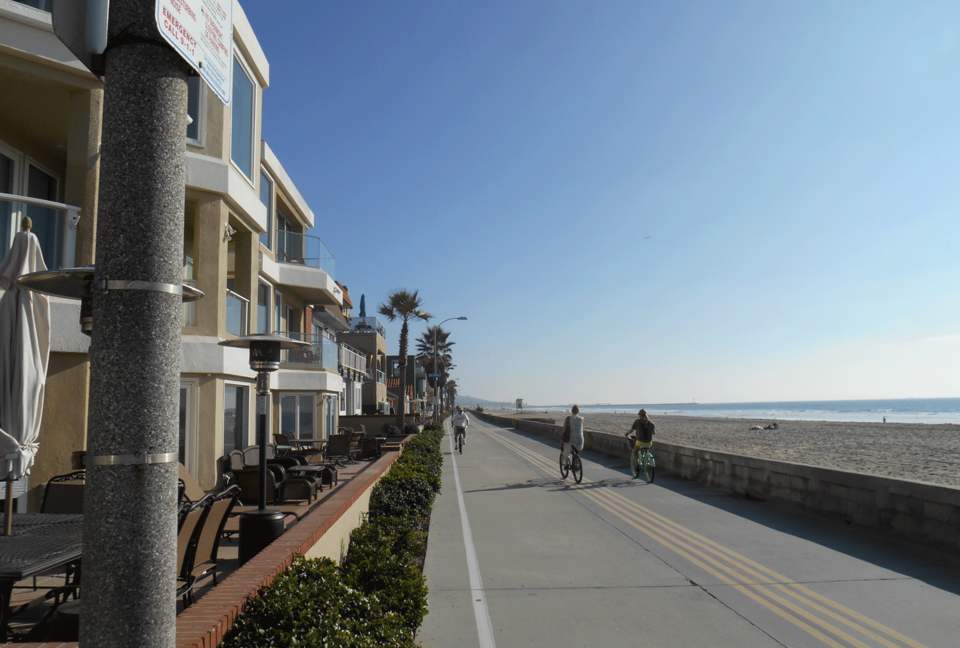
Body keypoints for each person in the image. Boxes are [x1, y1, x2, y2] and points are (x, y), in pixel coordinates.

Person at [626, 409, 655, 478]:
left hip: (640, 442)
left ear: (639, 415)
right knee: (646, 449)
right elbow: (654, 433)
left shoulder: (637, 422)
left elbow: (631, 430)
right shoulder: (651, 423)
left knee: (635, 451)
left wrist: (627, 434)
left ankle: (637, 465)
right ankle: (646, 460)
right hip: (649, 443)